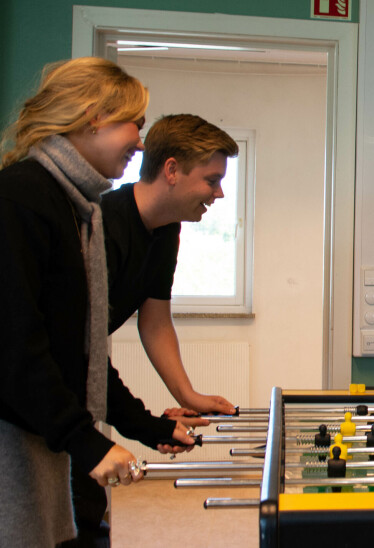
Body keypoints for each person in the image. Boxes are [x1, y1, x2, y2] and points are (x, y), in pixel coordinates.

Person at [0, 57, 194, 547]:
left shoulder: (74, 204)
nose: (141, 141)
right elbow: (15, 346)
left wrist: (147, 428)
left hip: (44, 442)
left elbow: (81, 353)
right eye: (135, 123)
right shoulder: (21, 197)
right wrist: (85, 441)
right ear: (92, 116)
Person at [66, 113, 241, 546]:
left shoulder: (166, 230)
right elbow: (80, 351)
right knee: (72, 514)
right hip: (56, 377)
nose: (219, 193)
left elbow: (155, 318)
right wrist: (146, 425)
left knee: (88, 510)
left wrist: (187, 395)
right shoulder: (101, 224)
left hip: (78, 369)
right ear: (172, 170)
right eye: (212, 179)